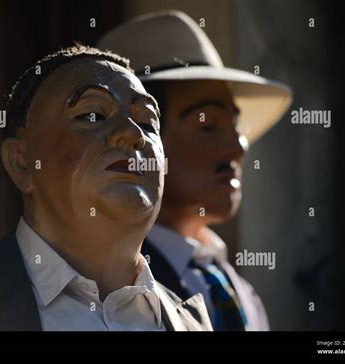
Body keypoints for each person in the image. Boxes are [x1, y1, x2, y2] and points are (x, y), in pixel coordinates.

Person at [0, 45, 212, 331]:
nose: (133, 134)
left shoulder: (192, 323)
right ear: (21, 162)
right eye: (93, 114)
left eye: (147, 122)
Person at [98, 10, 293, 331]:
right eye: (208, 125)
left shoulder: (234, 286)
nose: (238, 147)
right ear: (139, 140)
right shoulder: (110, 286)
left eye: (235, 126)